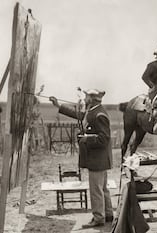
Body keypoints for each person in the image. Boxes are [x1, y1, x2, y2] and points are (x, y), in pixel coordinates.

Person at [49, 89, 113, 228]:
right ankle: (108, 215)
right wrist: (58, 105)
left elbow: (104, 139)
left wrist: (86, 139)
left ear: (93, 99)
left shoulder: (99, 115)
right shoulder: (93, 111)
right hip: (99, 159)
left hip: (98, 160)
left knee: (96, 190)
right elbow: (78, 115)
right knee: (102, 189)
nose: (84, 99)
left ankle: (99, 218)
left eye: (86, 97)